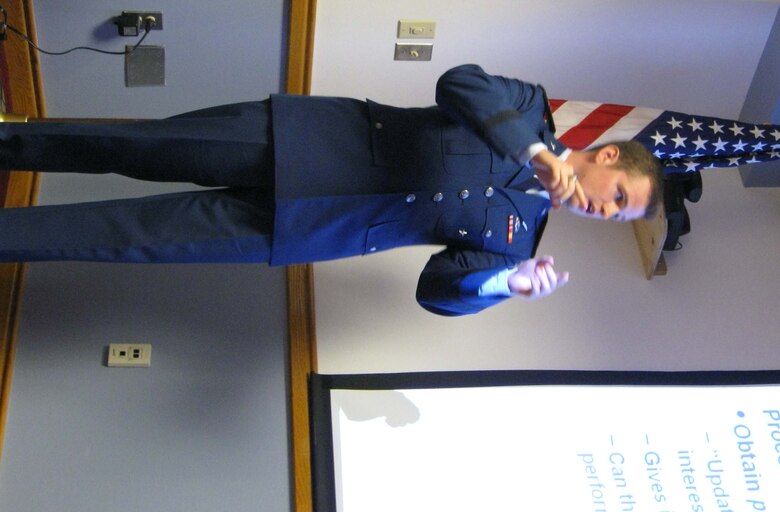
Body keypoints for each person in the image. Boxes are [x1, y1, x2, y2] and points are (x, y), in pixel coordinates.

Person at [0, 64, 662, 316]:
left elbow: (436, 290)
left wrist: (503, 287)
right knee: (129, 147)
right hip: (301, 139)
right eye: (616, 196)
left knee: (126, 241)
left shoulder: (520, 244)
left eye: (614, 216)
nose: (603, 212)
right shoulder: (529, 110)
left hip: (303, 229)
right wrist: (535, 150)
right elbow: (458, 85)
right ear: (606, 154)